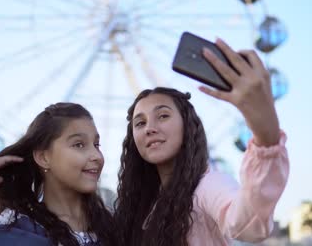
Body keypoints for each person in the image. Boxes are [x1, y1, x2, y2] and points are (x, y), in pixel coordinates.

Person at [114, 38, 289, 246]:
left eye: (163, 116)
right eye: (140, 123)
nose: (150, 128)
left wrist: (266, 133)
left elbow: (247, 224)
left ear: (187, 126)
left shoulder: (207, 186)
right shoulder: (142, 205)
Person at [0, 103, 117, 246]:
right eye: (79, 144)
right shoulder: (17, 232)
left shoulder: (116, 226)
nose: (96, 156)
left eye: (96, 145)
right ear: (43, 157)